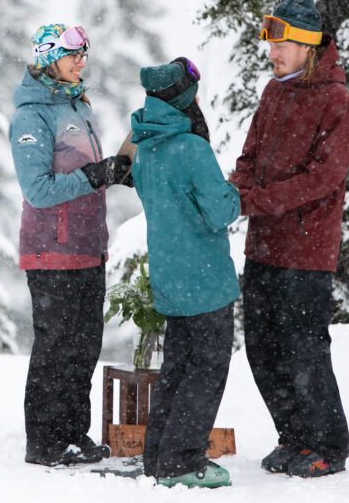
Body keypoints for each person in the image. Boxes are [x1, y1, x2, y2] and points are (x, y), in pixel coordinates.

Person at [228, 0, 349, 478]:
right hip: (262, 246)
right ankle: (294, 436)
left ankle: (328, 445)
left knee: (304, 347)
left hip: (306, 252)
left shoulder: (337, 102)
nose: (272, 52)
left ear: (306, 45)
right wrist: (232, 192)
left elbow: (322, 179)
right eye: (270, 43)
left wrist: (256, 201)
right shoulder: (274, 91)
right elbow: (249, 157)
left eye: (280, 44)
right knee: (262, 346)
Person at [9, 23, 133, 467]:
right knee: (56, 347)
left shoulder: (77, 106)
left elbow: (85, 177)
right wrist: (96, 174)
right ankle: (43, 441)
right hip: (51, 252)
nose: (82, 60)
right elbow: (38, 190)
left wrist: (115, 172)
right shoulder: (31, 115)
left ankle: (72, 434)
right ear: (48, 59)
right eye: (72, 54)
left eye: (84, 52)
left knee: (84, 346)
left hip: (86, 248)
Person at [129, 58, 241, 489]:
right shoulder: (192, 149)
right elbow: (221, 211)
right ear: (185, 98)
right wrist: (232, 190)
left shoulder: (146, 147)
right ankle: (182, 460)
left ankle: (158, 455)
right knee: (207, 369)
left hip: (170, 278)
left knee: (177, 367)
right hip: (205, 279)